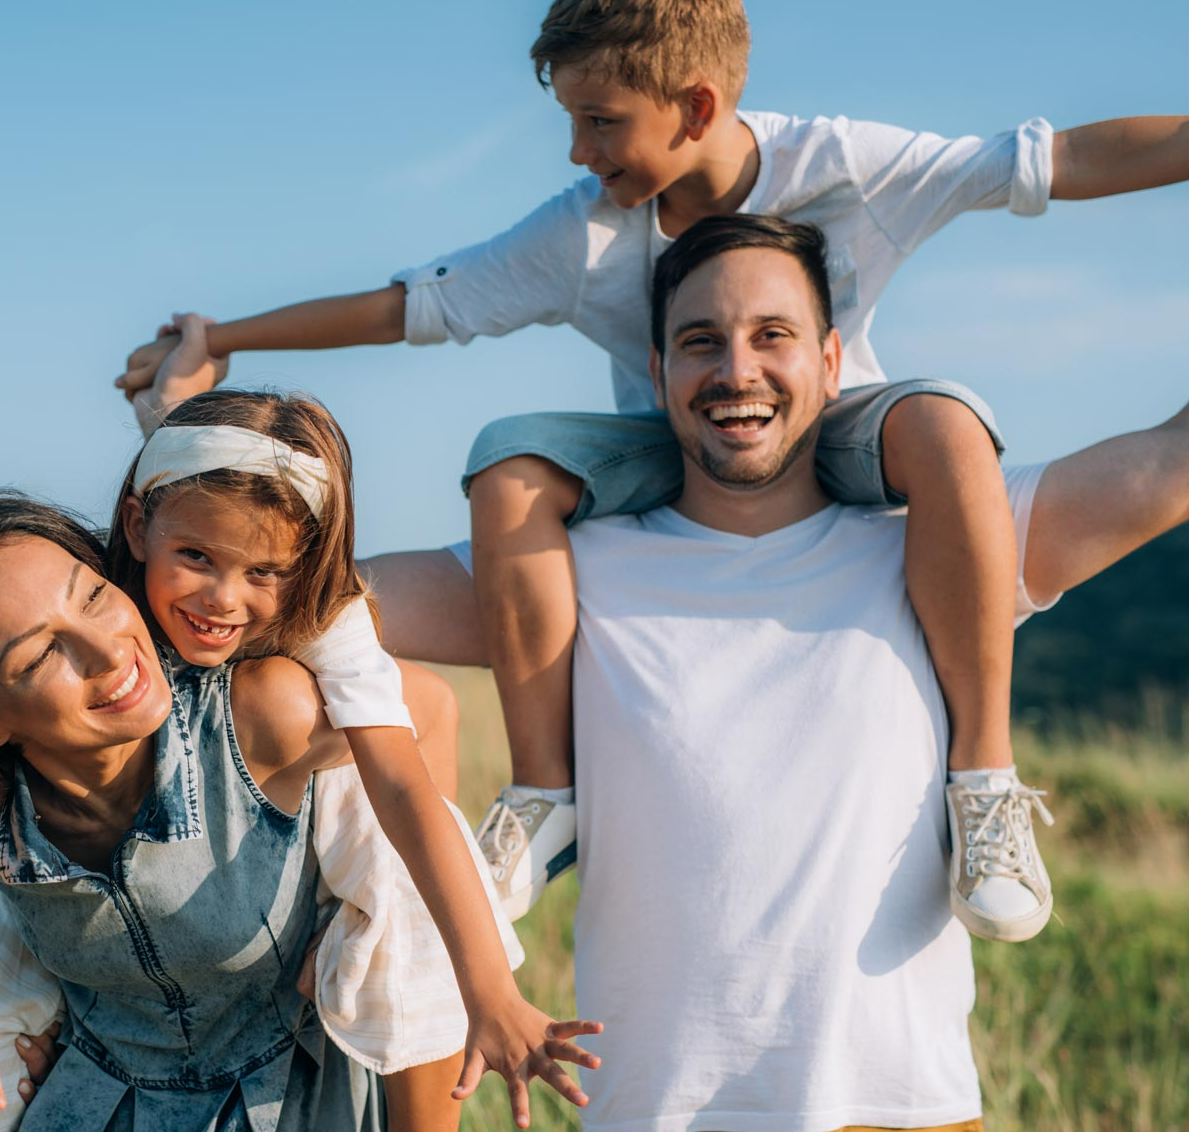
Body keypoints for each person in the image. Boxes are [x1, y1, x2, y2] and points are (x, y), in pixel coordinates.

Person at [110, 0, 1189, 933]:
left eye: (599, 122)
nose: (579, 151)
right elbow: (412, 306)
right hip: (662, 457)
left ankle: (985, 782)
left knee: (948, 428)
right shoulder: (584, 235)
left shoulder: (841, 165)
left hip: (849, 432)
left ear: (698, 107)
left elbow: (1052, 160)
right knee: (512, 463)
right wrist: (229, 335)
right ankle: (543, 791)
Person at [534, 212, 1189, 1129]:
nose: (735, 371)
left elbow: (1174, 457)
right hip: (658, 1112)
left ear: (832, 362)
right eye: (699, 343)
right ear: (658, 374)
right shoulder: (573, 566)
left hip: (901, 1110)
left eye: (773, 336)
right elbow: (318, 596)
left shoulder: (941, 544)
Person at [0, 376, 602, 1131]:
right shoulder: (124, 618)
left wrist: (484, 988)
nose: (222, 599)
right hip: (110, 1064)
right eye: (42, 656)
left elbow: (421, 730)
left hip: (279, 1052)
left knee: (392, 863)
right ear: (137, 533)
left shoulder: (299, 669)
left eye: (264, 572)